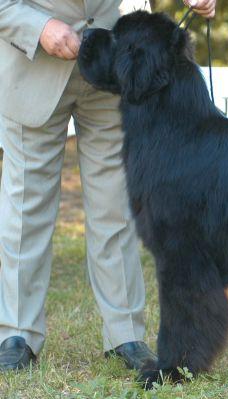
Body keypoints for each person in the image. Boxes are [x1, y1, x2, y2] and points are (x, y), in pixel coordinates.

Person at [0, 0, 216, 372]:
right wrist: (38, 26)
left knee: (115, 206)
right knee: (25, 208)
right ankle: (17, 333)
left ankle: (125, 335)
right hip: (31, 62)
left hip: (116, 66)